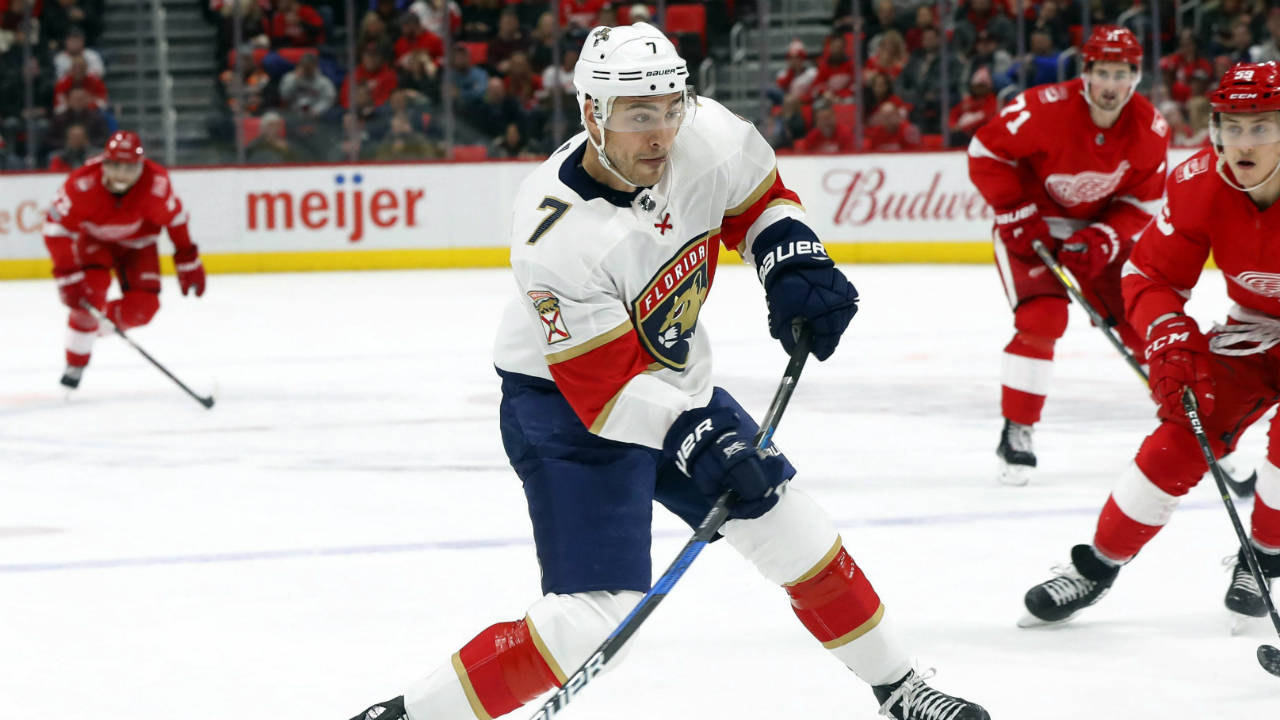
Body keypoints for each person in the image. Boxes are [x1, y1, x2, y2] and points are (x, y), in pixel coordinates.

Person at [347, 22, 989, 720]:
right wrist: (702, 440)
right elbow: (605, 388)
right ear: (592, 113)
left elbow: (758, 197)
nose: (660, 133)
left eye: (670, 107)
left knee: (793, 527)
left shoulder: (705, 133)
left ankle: (901, 689)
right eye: (638, 115)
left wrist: (790, 260)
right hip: (564, 405)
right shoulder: (553, 233)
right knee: (594, 619)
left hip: (672, 376)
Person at [1019, 61, 1280, 629]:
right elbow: (1151, 275)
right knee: (1182, 430)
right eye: (1231, 127)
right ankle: (1096, 566)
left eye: (1261, 126)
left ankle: (1264, 556)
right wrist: (1168, 333)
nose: (1243, 142)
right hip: (1255, 327)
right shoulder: (1200, 184)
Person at [968, 25, 1169, 486]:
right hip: (1030, 223)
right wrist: (1015, 211)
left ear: (1135, 77)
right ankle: (1018, 428)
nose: (1111, 86)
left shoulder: (1150, 130)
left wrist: (1103, 237)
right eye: (1103, 73)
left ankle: (1186, 416)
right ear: (1086, 73)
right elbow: (985, 151)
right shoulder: (1043, 109)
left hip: (1096, 229)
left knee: (1141, 319)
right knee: (1042, 319)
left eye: (1122, 75)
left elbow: (1142, 204)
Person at [41, 131, 205, 389]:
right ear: (104, 162)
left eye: (130, 167)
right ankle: (76, 361)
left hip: (138, 246)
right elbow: (55, 230)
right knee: (91, 294)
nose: (121, 174)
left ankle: (85, 326)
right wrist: (67, 275)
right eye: (115, 165)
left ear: (141, 166)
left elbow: (176, 219)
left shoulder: (156, 185)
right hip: (94, 242)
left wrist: (188, 260)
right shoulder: (81, 184)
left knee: (144, 309)